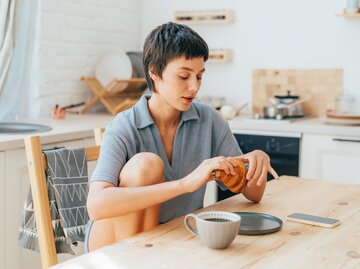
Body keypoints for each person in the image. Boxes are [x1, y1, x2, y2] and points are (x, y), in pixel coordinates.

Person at [85, 22, 278, 252]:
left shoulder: (209, 120)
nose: (194, 87)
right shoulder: (124, 126)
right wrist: (185, 184)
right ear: (154, 73)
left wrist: (255, 162)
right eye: (184, 76)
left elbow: (251, 194)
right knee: (147, 164)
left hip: (172, 237)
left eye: (199, 76)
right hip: (112, 245)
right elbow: (96, 206)